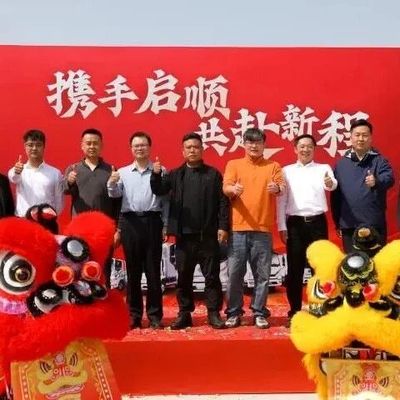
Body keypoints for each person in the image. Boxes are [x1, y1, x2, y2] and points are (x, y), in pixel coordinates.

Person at [151, 132, 229, 330]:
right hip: (184, 238)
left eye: (196, 147)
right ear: (183, 151)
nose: (192, 150)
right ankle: (184, 314)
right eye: (188, 147)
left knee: (212, 277)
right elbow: (159, 190)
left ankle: (213, 313)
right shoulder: (176, 175)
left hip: (208, 236)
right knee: (183, 278)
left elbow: (223, 202)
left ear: (202, 149)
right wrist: (156, 174)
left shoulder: (213, 174)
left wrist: (223, 226)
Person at [223, 128, 285, 329]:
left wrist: (277, 188)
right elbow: (226, 187)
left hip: (262, 229)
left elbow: (281, 186)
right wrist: (233, 190)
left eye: (258, 142)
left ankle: (259, 312)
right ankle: (234, 312)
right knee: (235, 274)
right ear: (244, 144)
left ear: (264, 145)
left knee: (262, 275)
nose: (254, 146)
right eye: (250, 142)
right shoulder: (234, 164)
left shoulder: (273, 166)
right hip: (238, 229)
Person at [107, 131, 168, 329]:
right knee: (132, 272)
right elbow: (114, 195)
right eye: (136, 146)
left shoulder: (160, 170)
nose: (140, 148)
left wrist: (165, 225)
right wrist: (112, 182)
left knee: (153, 272)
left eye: (143, 145)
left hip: (152, 221)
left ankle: (155, 315)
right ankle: (133, 315)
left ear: (149, 147)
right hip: (130, 222)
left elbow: (165, 200)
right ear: (131, 149)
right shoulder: (123, 172)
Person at [277, 134, 337, 322]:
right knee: (294, 269)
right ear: (295, 149)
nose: (305, 149)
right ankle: (294, 310)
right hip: (294, 224)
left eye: (309, 146)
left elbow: (332, 184)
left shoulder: (323, 168)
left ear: (314, 149)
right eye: (302, 146)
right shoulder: (286, 171)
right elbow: (281, 200)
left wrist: (330, 183)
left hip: (317, 223)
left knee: (319, 268)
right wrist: (281, 225)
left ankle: (319, 309)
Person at [63, 128, 121, 286]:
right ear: (82, 145)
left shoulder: (110, 170)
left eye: (95, 143)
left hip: (104, 230)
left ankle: (103, 296)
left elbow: (117, 202)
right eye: (88, 143)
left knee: (103, 269)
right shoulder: (73, 169)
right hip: (80, 230)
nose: (92, 146)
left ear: (101, 146)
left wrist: (117, 229)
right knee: (79, 267)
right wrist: (70, 181)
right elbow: (65, 190)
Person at [331, 119, 394, 253]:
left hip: (374, 224)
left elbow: (389, 179)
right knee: (353, 263)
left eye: (365, 135)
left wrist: (377, 181)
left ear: (370, 138)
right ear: (351, 137)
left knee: (376, 263)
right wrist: (338, 223)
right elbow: (336, 197)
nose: (361, 139)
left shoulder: (379, 161)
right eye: (357, 135)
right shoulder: (341, 165)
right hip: (349, 225)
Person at [8, 129, 63, 217]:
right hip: (24, 219)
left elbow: (59, 201)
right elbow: (13, 178)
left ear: (44, 146)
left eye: (38, 145)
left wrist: (50, 217)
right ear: (25, 146)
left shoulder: (55, 173)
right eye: (30, 145)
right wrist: (17, 171)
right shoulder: (19, 170)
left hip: (46, 220)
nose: (34, 148)